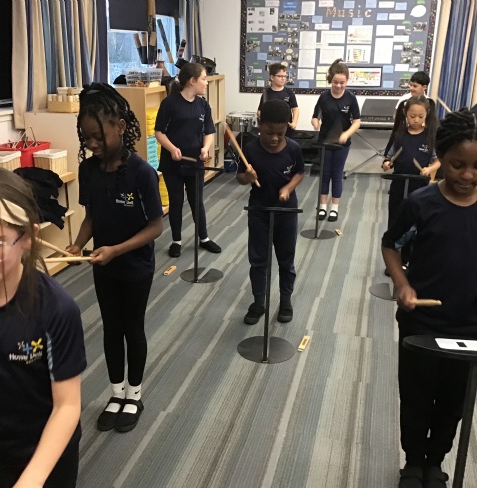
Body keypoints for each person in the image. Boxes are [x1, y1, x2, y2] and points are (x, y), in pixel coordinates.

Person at [382, 106, 477, 488]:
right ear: (441, 157)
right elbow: (391, 246)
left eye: (476, 167)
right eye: (457, 165)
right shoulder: (421, 204)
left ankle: (435, 462)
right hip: (421, 322)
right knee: (417, 397)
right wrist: (402, 284)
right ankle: (413, 462)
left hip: (469, 327)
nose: (468, 175)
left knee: (454, 403)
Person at [0, 167, 86, 488]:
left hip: (44, 450)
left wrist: (33, 481)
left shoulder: (55, 309)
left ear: (26, 238)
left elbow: (67, 406)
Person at [67, 83, 163, 433]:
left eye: (97, 136)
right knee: (111, 329)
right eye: (86, 138)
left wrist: (116, 250)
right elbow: (91, 218)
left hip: (135, 267)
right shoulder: (89, 170)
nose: (91, 144)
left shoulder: (141, 173)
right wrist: (78, 244)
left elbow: (156, 227)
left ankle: (134, 395)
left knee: (132, 329)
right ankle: (116, 393)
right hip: (102, 265)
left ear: (120, 127)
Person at [237, 99, 304, 324]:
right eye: (269, 133)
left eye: (280, 133)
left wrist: (288, 188)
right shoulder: (250, 149)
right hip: (259, 211)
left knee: (286, 260)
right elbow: (240, 178)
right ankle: (259, 301)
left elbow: (299, 173)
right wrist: (248, 177)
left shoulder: (293, 149)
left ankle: (285, 300)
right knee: (258, 260)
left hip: (286, 212)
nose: (274, 138)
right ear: (260, 125)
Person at [155, 62, 221, 258]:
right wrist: (172, 148)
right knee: (176, 201)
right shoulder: (170, 103)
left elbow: (209, 132)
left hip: (195, 162)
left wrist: (205, 148)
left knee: (197, 201)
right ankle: (176, 241)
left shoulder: (203, 105)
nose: (206, 83)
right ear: (192, 81)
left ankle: (204, 238)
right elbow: (159, 132)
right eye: (203, 79)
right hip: (172, 163)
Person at [311, 59, 361, 222]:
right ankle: (322, 206)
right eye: (335, 82)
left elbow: (357, 122)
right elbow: (315, 116)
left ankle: (334, 207)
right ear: (330, 80)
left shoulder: (350, 98)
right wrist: (315, 123)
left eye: (342, 83)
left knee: (337, 174)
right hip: (325, 141)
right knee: (325, 173)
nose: (338, 86)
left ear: (347, 81)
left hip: (342, 144)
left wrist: (346, 134)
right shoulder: (324, 97)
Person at [382, 95, 440, 230]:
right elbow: (388, 158)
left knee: (416, 220)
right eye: (412, 116)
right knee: (395, 219)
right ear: (405, 114)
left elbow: (438, 161)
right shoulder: (399, 135)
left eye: (421, 116)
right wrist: (387, 164)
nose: (416, 120)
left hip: (419, 186)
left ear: (427, 114)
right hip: (398, 185)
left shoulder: (429, 137)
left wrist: (429, 169)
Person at [258, 63, 299, 136]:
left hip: (286, 129)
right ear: (272, 77)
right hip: (270, 129)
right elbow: (259, 111)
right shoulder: (266, 93)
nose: (283, 78)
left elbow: (295, 109)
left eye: (285, 76)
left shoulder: (289, 93)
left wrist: (294, 123)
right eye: (280, 76)